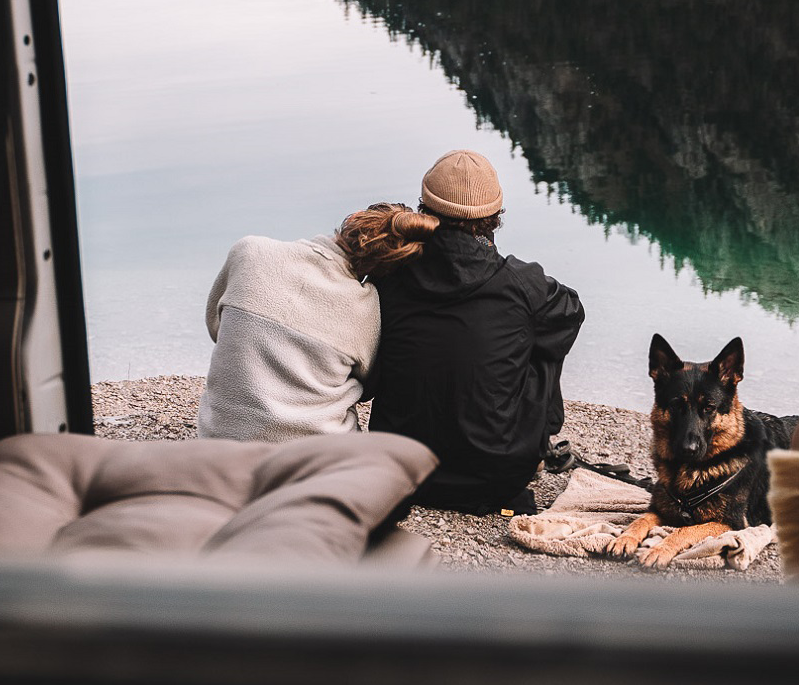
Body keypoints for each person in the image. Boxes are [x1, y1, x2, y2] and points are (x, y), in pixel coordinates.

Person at [369, 150, 585, 516]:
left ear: (424, 208)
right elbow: (572, 311)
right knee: (542, 333)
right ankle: (533, 451)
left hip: (398, 468)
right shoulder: (521, 283)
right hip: (495, 477)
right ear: (494, 217)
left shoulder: (389, 274)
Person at [197, 203, 439, 443]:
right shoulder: (366, 306)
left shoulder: (249, 251)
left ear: (354, 219)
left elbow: (216, 327)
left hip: (221, 444)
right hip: (319, 454)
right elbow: (370, 387)